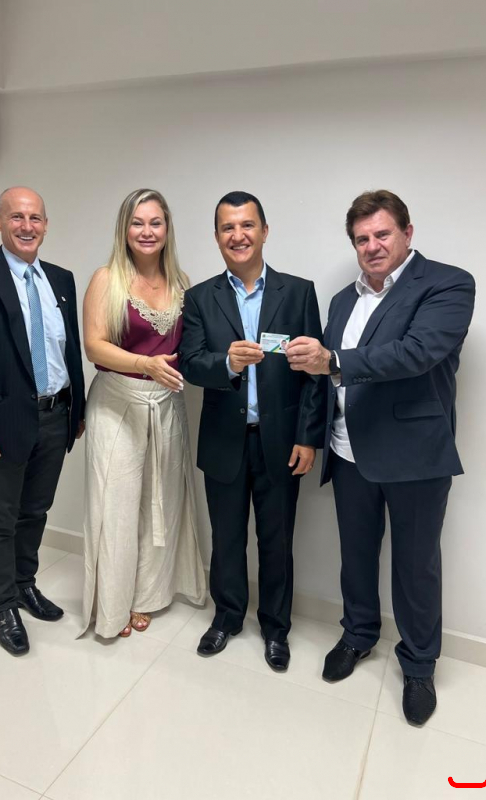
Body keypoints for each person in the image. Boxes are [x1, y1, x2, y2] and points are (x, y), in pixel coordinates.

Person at [287, 189, 475, 724]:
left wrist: (333, 359)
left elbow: (417, 353)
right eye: (361, 238)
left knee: (416, 567)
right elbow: (323, 379)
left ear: (407, 233)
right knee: (356, 556)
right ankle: (358, 634)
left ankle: (418, 665)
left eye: (382, 234)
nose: (371, 246)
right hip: (348, 452)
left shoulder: (448, 283)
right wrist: (313, 429)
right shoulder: (342, 301)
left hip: (415, 457)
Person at [179, 191, 326, 672]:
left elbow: (314, 374)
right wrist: (226, 363)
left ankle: (276, 628)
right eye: (228, 227)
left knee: (277, 541)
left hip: (281, 442)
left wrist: (308, 436)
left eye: (247, 225)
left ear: (264, 231)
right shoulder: (199, 297)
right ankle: (227, 617)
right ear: (216, 236)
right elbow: (191, 364)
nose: (238, 235)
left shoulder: (298, 292)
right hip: (224, 440)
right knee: (226, 538)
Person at [0, 186, 86, 657]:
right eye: (16, 217)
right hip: (1, 424)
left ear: (46, 224)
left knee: (36, 511)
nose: (27, 226)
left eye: (35, 218)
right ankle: (4, 605)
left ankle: (25, 584)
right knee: (1, 518)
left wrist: (77, 408)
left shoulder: (61, 279)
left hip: (56, 416)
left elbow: (68, 349)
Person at [78, 188, 206, 640]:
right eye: (137, 222)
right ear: (124, 229)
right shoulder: (106, 279)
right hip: (118, 403)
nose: (147, 231)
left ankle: (147, 596)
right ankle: (112, 606)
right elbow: (94, 345)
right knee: (117, 506)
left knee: (162, 503)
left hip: (166, 406)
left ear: (167, 228)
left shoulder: (182, 282)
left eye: (155, 222)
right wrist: (144, 364)